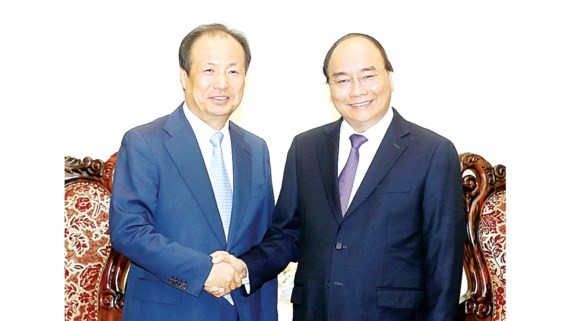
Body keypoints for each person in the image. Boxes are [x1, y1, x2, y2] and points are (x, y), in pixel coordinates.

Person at [216, 32, 465, 320]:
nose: (357, 90)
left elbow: (443, 265)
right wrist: (244, 268)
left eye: (368, 75)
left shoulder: (433, 152)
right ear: (330, 87)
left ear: (390, 77)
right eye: (342, 80)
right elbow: (286, 233)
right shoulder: (306, 148)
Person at [109, 23, 277, 321]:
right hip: (171, 311)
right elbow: (129, 231)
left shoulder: (256, 148)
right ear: (184, 76)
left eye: (233, 71)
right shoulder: (145, 142)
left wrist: (246, 274)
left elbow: (264, 236)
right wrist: (204, 272)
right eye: (209, 70)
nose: (222, 83)